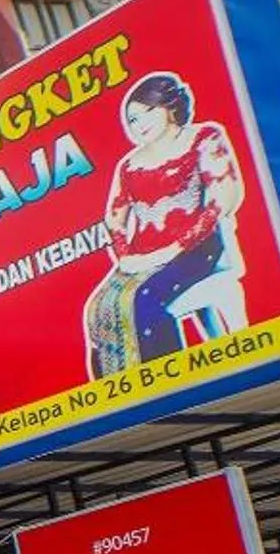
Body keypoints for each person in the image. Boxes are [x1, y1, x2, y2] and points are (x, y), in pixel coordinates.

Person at [83, 73, 246, 376]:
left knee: (144, 301)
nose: (139, 124)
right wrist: (126, 256)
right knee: (98, 310)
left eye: (148, 111)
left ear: (170, 106)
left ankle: (167, 382)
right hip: (141, 257)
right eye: (132, 119)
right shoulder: (130, 164)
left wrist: (174, 248)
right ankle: (117, 393)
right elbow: (115, 217)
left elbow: (224, 197)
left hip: (197, 246)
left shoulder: (202, 137)